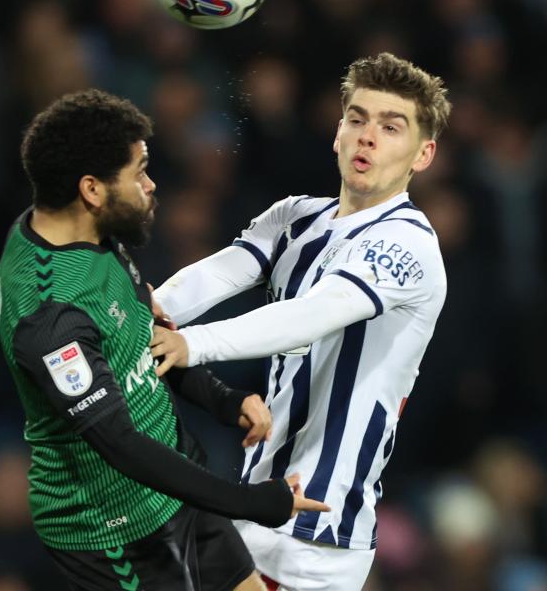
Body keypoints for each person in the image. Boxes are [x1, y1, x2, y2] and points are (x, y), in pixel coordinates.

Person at [0, 89, 328, 591]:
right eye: (139, 172)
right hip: (112, 533)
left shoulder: (87, 229)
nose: (151, 185)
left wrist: (223, 399)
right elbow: (120, 444)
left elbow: (142, 339)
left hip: (177, 485)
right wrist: (249, 502)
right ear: (92, 189)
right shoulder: (49, 315)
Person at [151, 52, 451, 591]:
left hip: (319, 533)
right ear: (338, 132)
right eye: (357, 119)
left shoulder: (408, 245)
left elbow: (310, 316)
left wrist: (190, 344)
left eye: (391, 127)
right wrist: (142, 310)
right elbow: (214, 276)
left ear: (423, 154)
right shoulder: (295, 218)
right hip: (256, 503)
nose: (367, 137)